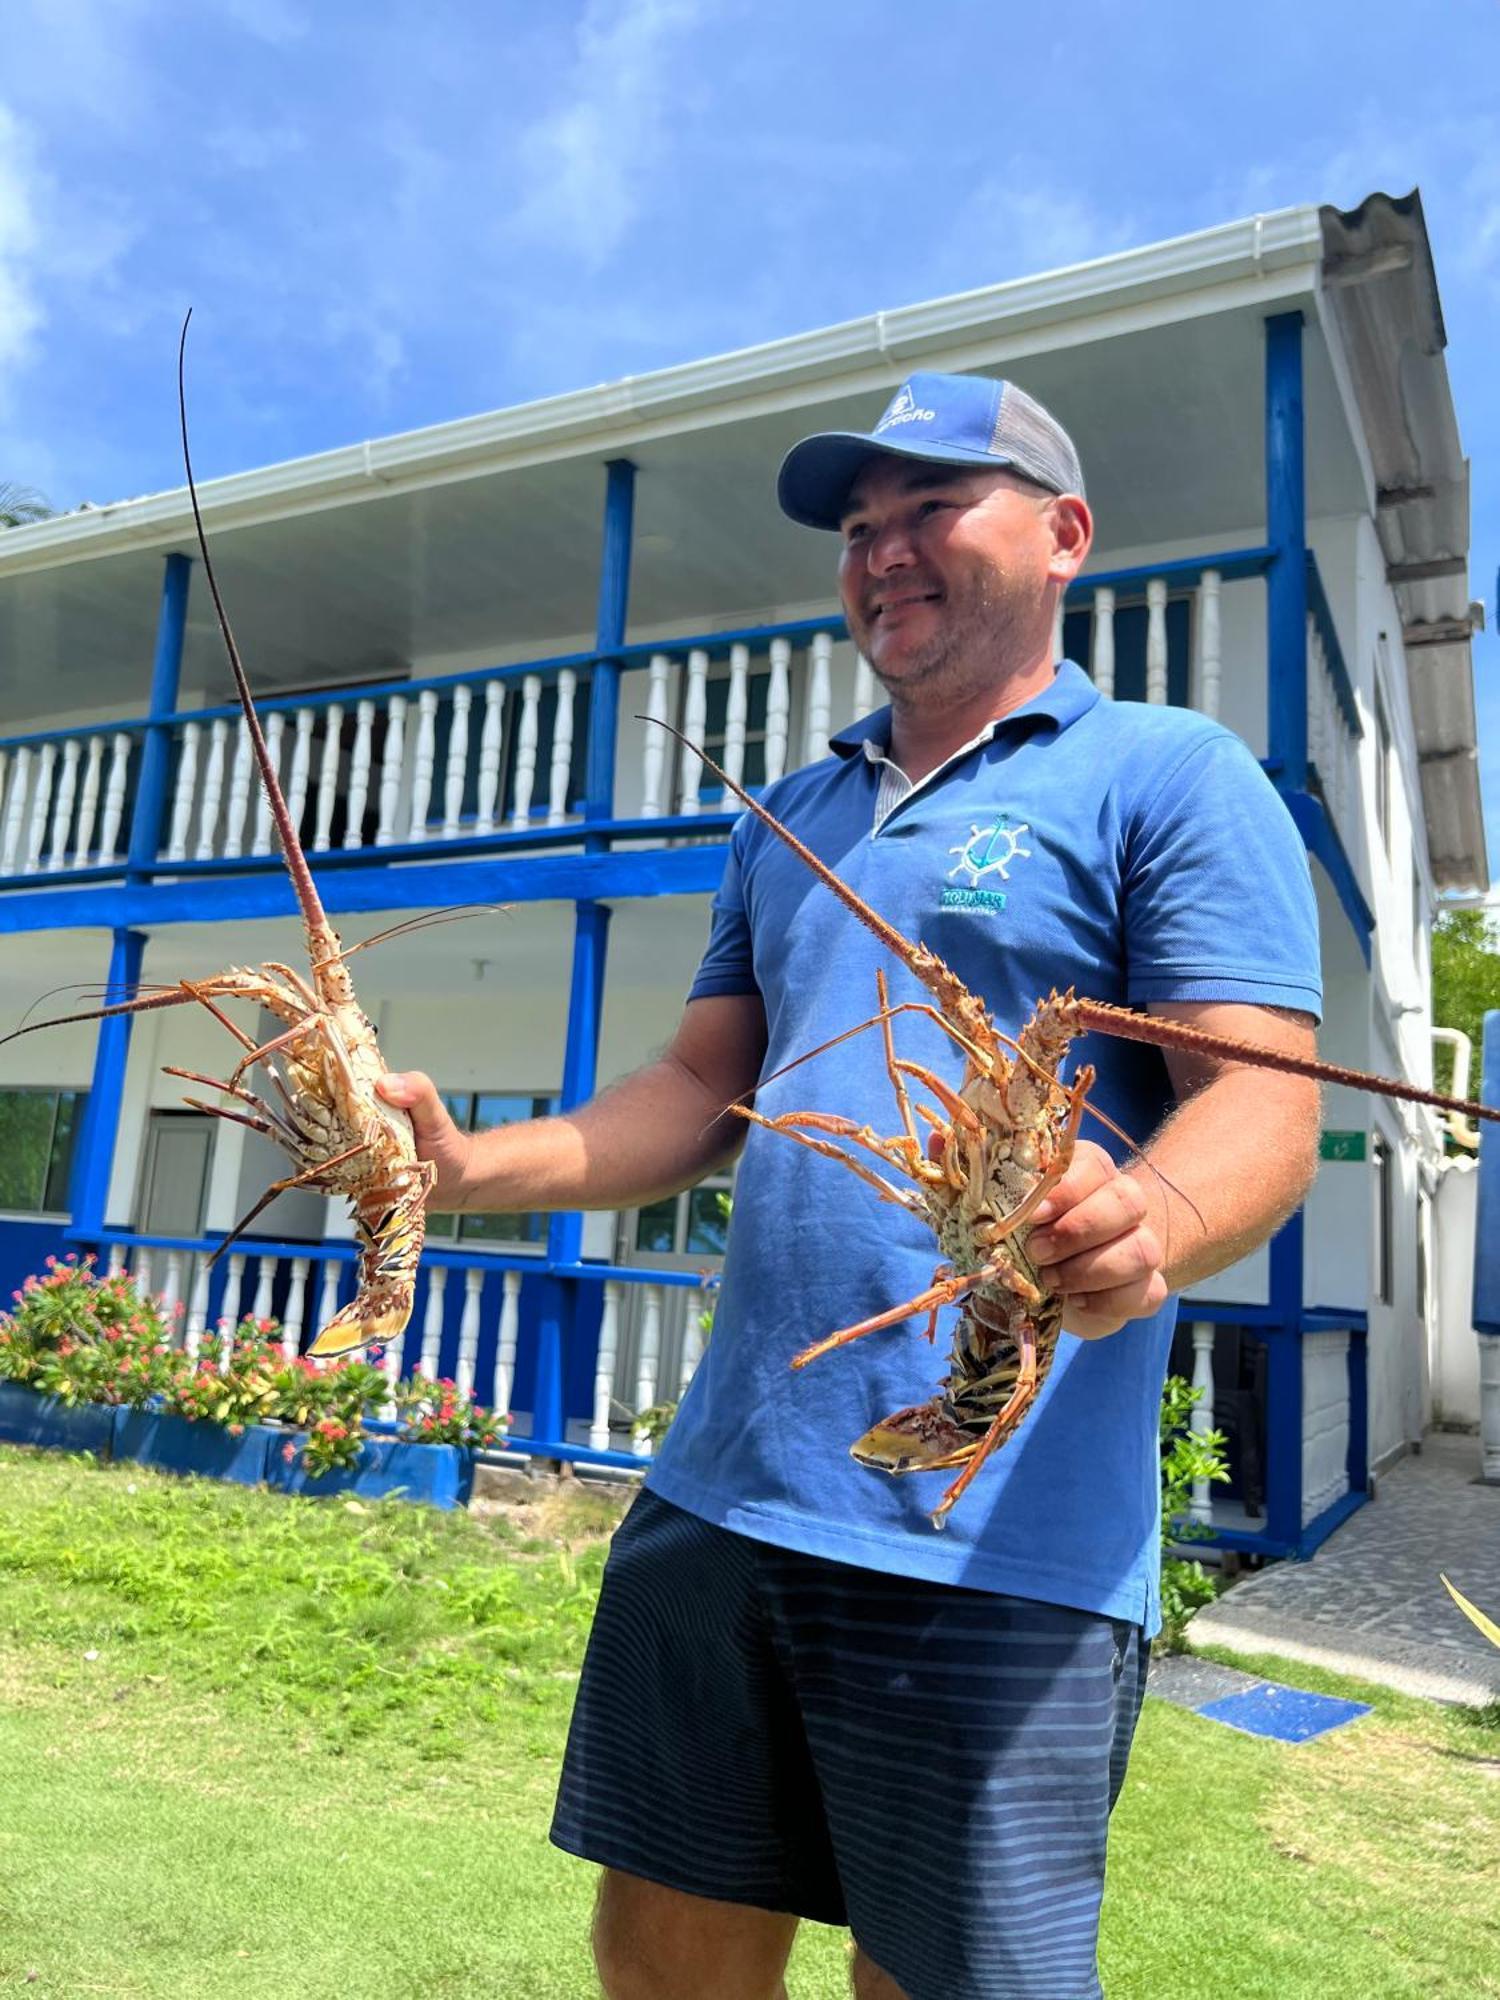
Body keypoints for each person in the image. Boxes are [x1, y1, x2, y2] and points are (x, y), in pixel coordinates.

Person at [380, 371, 1323, 2000]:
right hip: (723, 1489)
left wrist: (1147, 1221)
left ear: (1064, 535)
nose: (884, 551)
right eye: (860, 528)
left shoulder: (1168, 771)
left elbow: (1262, 1099)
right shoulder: (795, 814)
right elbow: (701, 1091)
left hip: (992, 1536)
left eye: (932, 509)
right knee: (659, 1945)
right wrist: (471, 1163)